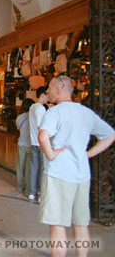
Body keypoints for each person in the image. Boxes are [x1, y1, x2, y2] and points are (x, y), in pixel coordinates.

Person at [38, 75, 115, 257]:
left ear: (59, 90)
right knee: (81, 224)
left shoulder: (55, 112)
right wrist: (87, 154)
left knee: (58, 224)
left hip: (58, 173)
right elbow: (110, 135)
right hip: (81, 174)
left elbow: (43, 137)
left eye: (49, 87)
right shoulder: (86, 113)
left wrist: (51, 154)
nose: (47, 91)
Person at [28, 86, 49, 201]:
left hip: (33, 141)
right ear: (42, 95)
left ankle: (32, 192)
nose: (48, 98)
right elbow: (40, 126)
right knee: (42, 168)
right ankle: (41, 193)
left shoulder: (32, 107)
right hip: (41, 142)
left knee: (34, 167)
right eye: (47, 95)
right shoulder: (40, 108)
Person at [15, 98, 35, 194]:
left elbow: (18, 128)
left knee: (20, 166)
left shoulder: (20, 117)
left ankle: (20, 186)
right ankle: (28, 187)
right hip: (31, 144)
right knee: (28, 167)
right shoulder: (34, 117)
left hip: (21, 143)